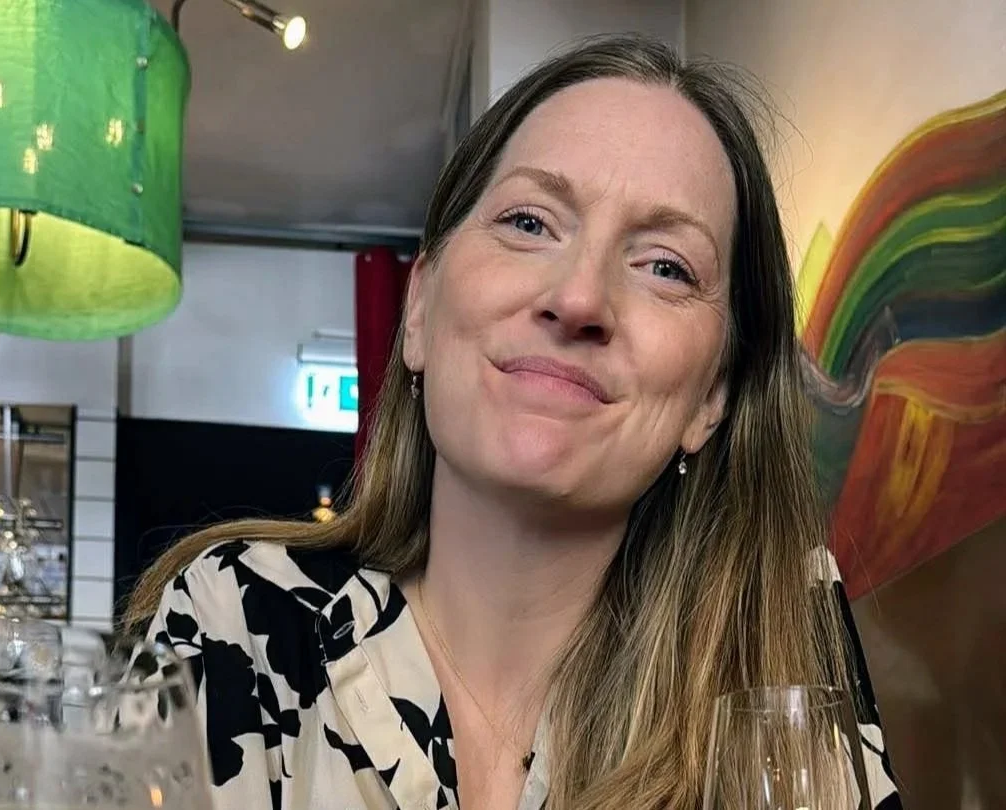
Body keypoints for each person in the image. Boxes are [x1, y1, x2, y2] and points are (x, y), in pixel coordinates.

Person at [125, 34, 902, 810]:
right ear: (419, 309)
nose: (579, 298)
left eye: (666, 266)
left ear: (713, 399)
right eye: (530, 223)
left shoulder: (780, 656)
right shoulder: (237, 619)